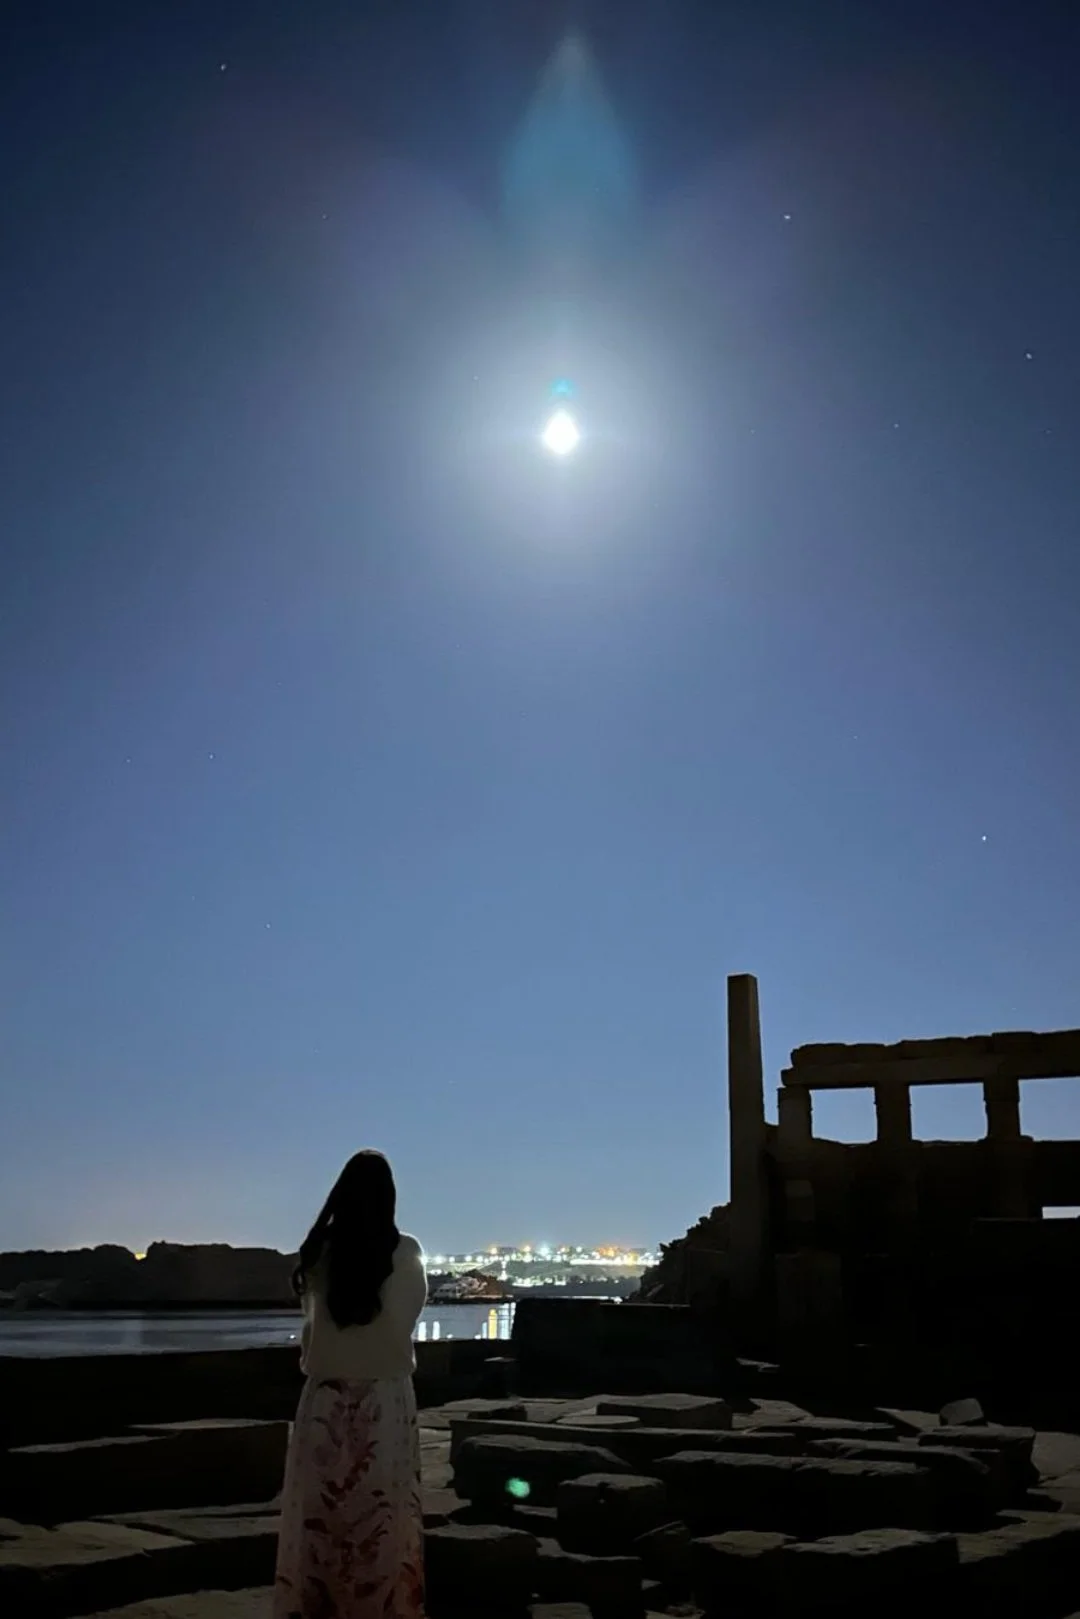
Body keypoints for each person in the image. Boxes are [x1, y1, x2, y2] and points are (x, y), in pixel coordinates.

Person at [274, 1150, 428, 1619]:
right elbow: (406, 1320)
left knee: (321, 1519)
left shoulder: (318, 1253)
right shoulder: (405, 1253)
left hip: (324, 1397)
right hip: (385, 1397)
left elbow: (311, 1332)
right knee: (383, 1517)